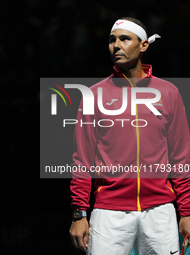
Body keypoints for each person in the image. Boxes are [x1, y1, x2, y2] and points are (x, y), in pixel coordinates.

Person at [69, 17, 190, 255]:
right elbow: (82, 160)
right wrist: (79, 213)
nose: (116, 45)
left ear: (143, 45)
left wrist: (186, 211)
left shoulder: (169, 92)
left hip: (160, 212)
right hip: (108, 213)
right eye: (112, 40)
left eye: (125, 39)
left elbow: (181, 157)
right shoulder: (94, 95)